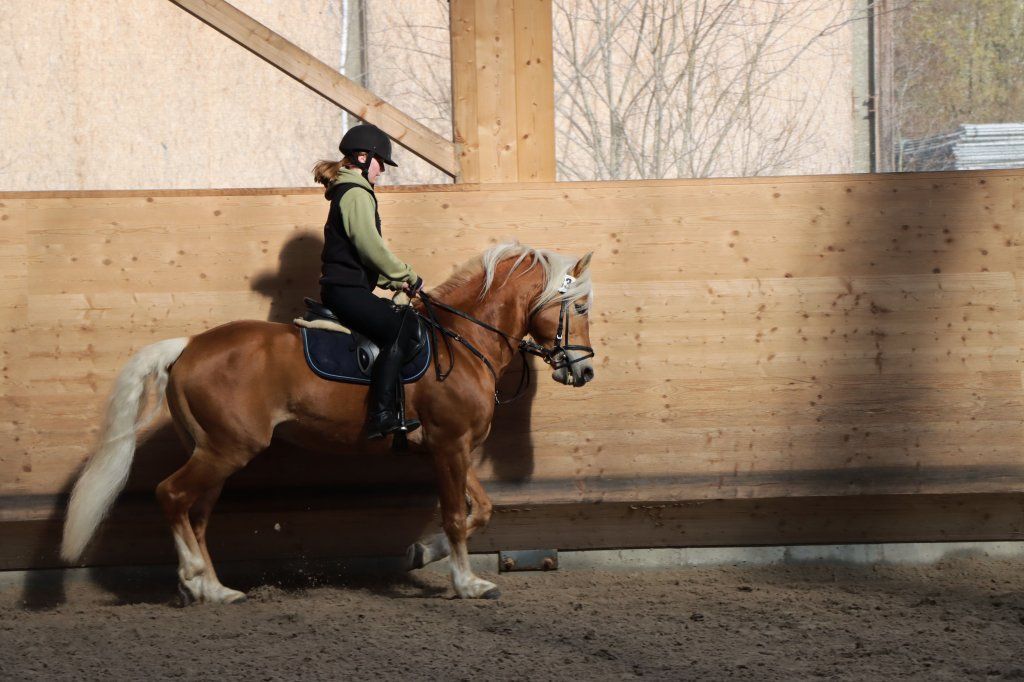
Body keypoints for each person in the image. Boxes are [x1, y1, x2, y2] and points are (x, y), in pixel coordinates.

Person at [312, 123, 423, 439]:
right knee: (400, 329)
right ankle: (381, 415)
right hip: (346, 291)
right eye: (381, 162)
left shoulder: (350, 190)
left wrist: (393, 283)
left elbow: (359, 255)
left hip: (347, 288)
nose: (382, 170)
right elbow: (370, 246)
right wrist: (406, 274)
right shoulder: (357, 193)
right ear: (363, 157)